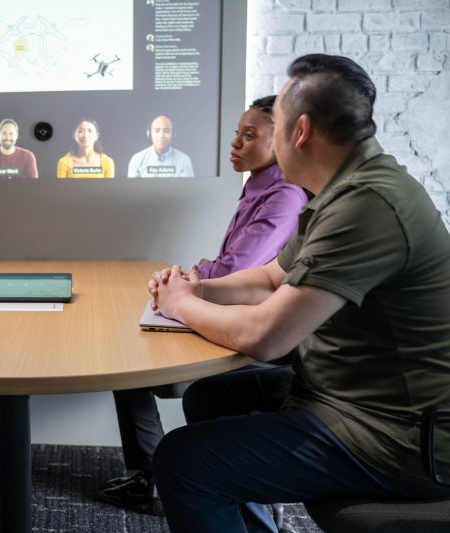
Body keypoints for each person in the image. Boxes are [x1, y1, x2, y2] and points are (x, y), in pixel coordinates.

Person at [150, 54, 450, 532]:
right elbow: (271, 277)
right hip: (344, 396)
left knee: (184, 460)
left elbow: (268, 337)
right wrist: (199, 286)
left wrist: (181, 305)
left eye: (275, 125)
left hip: (399, 437)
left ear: (300, 130)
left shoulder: (368, 205)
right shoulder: (341, 189)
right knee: (209, 400)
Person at [100, 96, 308, 515]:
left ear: (287, 139)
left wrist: (188, 285)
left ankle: (156, 480)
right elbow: (237, 268)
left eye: (249, 136)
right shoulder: (258, 183)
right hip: (234, 309)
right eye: (237, 132)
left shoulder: (284, 194)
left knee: (134, 360)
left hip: (256, 328)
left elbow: (242, 269)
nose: (235, 143)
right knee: (128, 352)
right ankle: (150, 477)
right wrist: (189, 279)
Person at [127, 115, 194, 178]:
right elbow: (133, 189)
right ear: (149, 134)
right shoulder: (137, 160)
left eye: (166, 131)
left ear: (173, 134)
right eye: (157, 131)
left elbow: (188, 189)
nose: (161, 135)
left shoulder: (184, 160)